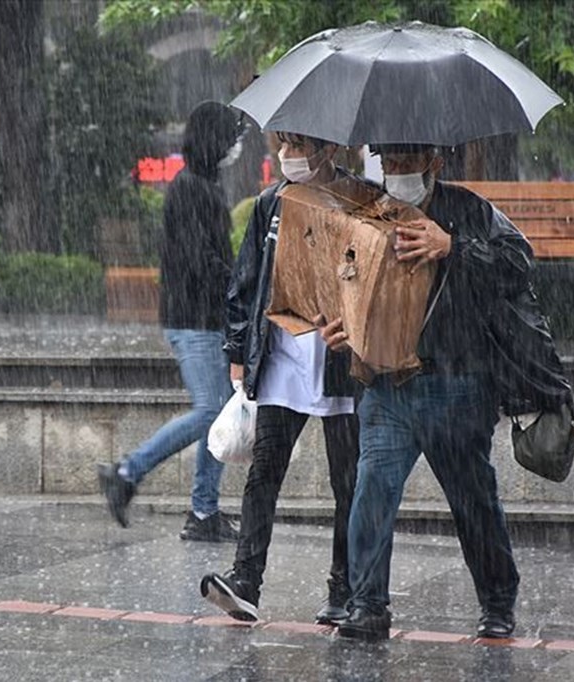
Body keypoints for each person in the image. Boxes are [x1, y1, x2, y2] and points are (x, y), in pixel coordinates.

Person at [318, 142, 532, 641]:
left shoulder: (467, 210)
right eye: (388, 161)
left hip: (454, 381)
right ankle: (368, 603)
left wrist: (452, 246)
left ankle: (497, 601)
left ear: (434, 162)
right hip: (386, 385)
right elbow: (340, 282)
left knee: (472, 497)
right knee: (370, 492)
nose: (396, 171)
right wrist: (337, 327)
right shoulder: (366, 214)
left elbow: (519, 262)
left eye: (407, 161)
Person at [199, 131, 366, 625]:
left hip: (340, 361)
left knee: (349, 482)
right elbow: (245, 280)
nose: (290, 157)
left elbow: (374, 277)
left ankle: (344, 587)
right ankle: (245, 580)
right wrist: (237, 350)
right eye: (284, 147)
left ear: (329, 150)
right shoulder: (270, 205)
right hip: (281, 359)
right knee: (264, 471)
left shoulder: (360, 203)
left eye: (300, 147)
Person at [96, 101, 244, 542]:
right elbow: (201, 259)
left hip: (207, 317)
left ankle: (203, 513)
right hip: (194, 320)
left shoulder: (203, 185)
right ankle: (127, 471)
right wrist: (239, 283)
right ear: (214, 140)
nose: (235, 148)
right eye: (230, 139)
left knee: (217, 417)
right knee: (210, 413)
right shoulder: (190, 188)